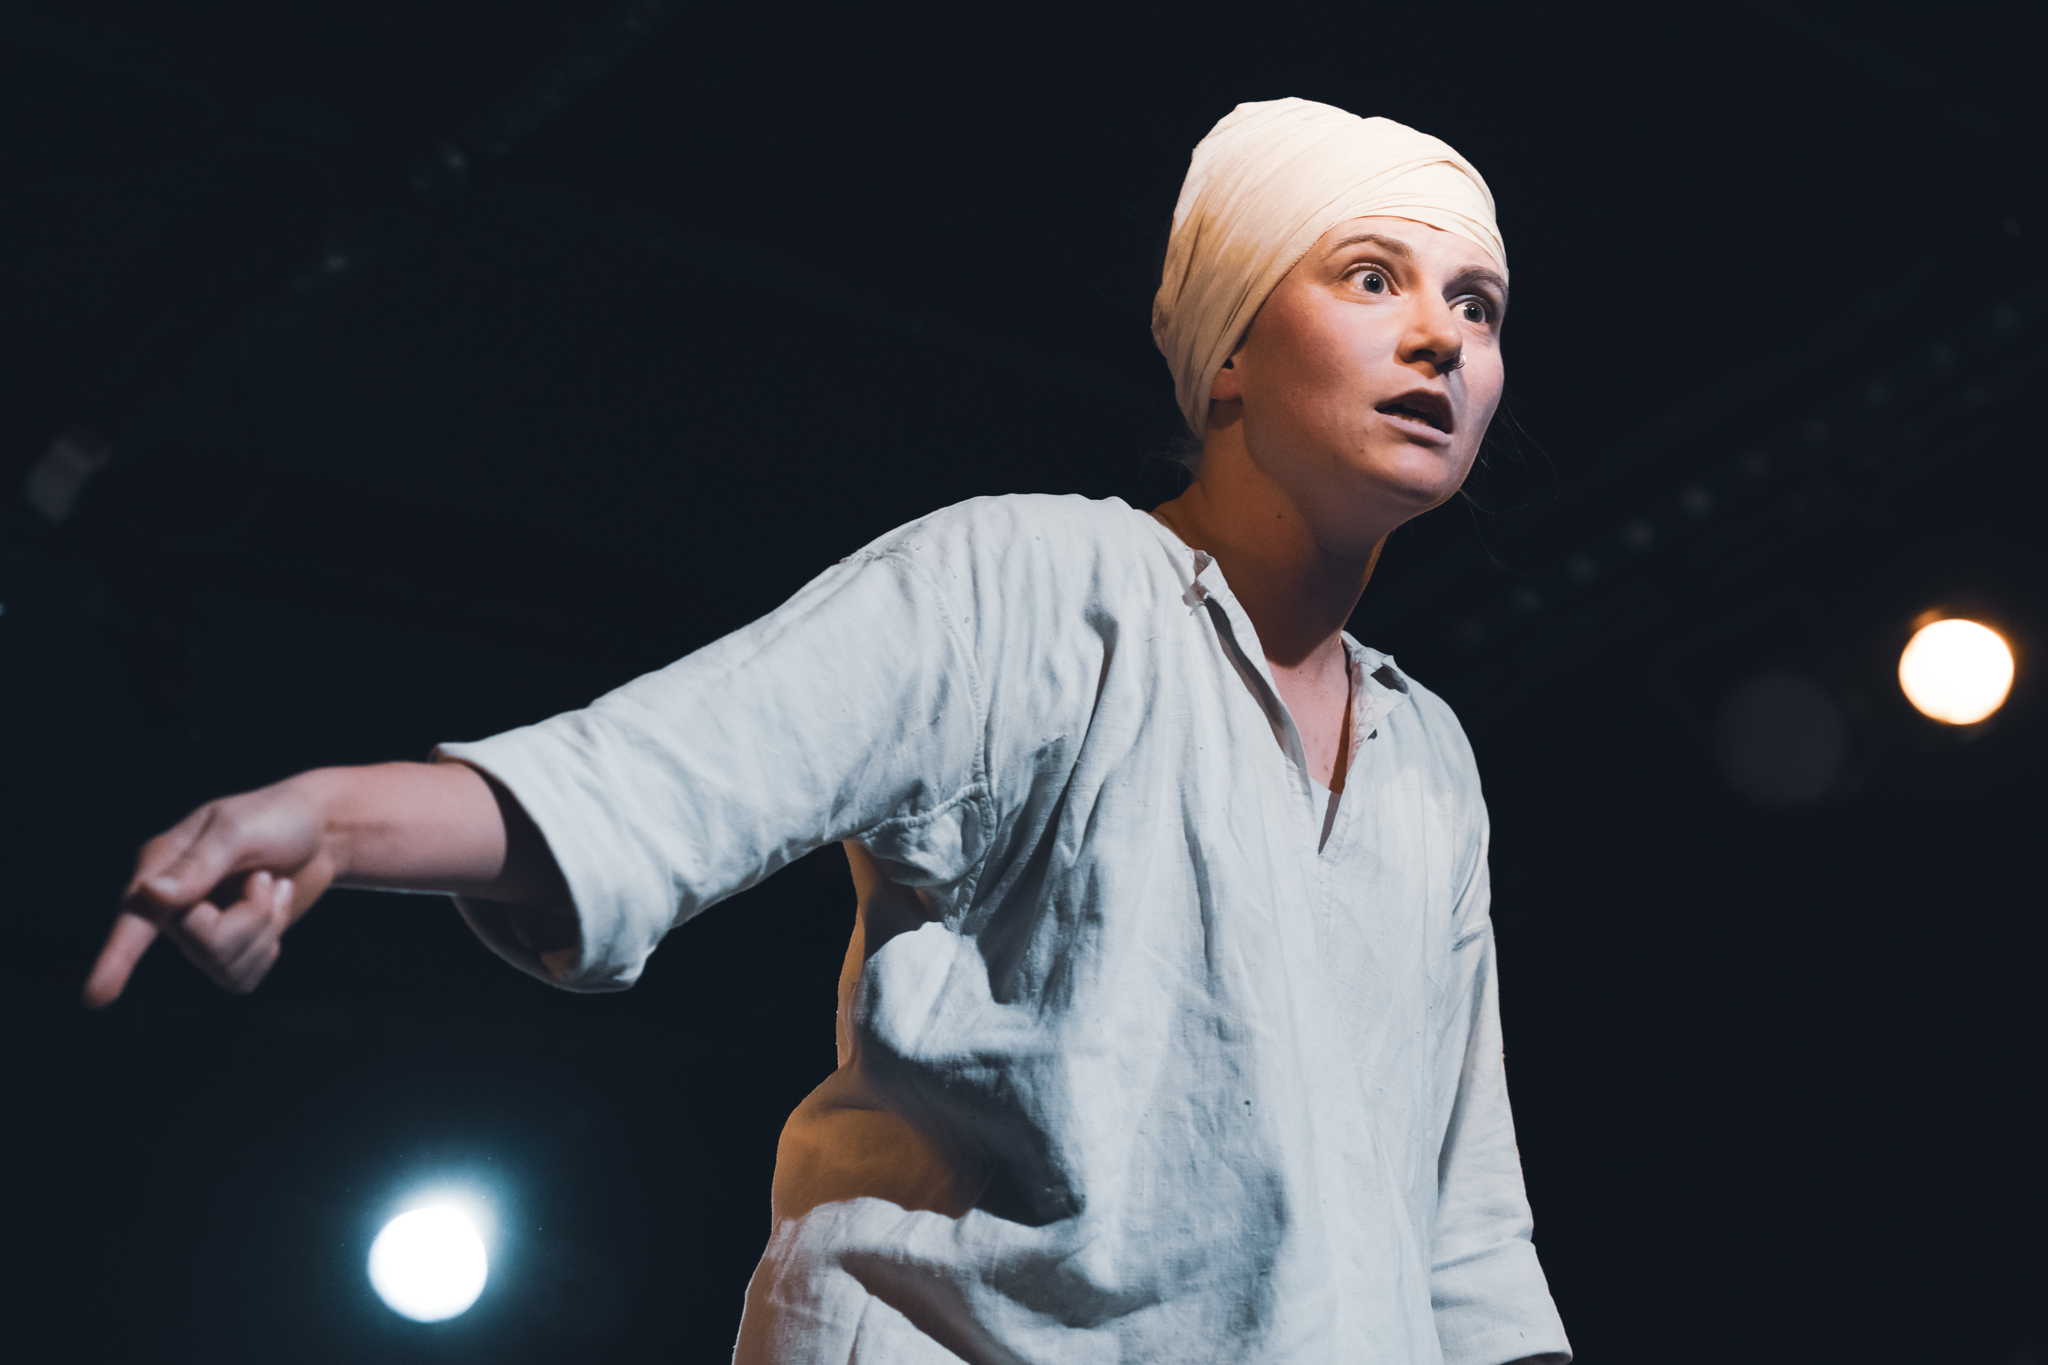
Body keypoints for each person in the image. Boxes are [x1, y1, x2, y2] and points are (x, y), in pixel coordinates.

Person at [84, 98, 1571, 1364]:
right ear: (1232, 347)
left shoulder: (1427, 759)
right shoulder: (1042, 582)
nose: (1439, 338)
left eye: (1477, 306)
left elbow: (1463, 1232)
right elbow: (677, 774)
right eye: (1371, 277)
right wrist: (337, 818)